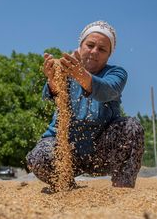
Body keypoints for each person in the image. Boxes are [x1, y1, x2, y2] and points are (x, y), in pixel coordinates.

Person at [26, 20, 144, 189]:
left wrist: (81, 75)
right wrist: (53, 79)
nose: (94, 51)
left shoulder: (116, 73)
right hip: (66, 152)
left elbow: (107, 90)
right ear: (80, 46)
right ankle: (65, 186)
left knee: (132, 127)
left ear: (109, 55)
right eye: (90, 45)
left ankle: (122, 188)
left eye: (102, 49)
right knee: (38, 156)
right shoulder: (64, 70)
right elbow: (51, 94)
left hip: (101, 150)